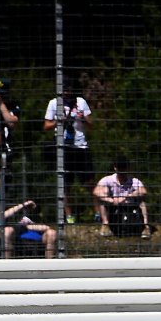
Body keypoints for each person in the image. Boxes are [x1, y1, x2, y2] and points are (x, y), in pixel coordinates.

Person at [43, 85, 95, 223]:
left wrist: (82, 117)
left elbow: (91, 124)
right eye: (64, 89)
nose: (67, 92)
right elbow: (46, 126)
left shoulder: (81, 102)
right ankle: (69, 216)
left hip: (80, 146)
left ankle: (98, 213)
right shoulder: (54, 103)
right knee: (65, 184)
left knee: (89, 182)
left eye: (69, 89)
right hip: (64, 147)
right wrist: (59, 121)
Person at [94, 156, 149, 237]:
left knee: (142, 202)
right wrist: (111, 200)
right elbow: (96, 192)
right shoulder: (107, 180)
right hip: (113, 206)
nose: (122, 170)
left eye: (124, 167)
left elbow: (143, 191)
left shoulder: (134, 181)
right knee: (103, 200)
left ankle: (145, 227)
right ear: (115, 168)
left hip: (129, 206)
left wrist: (127, 197)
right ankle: (105, 225)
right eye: (120, 167)